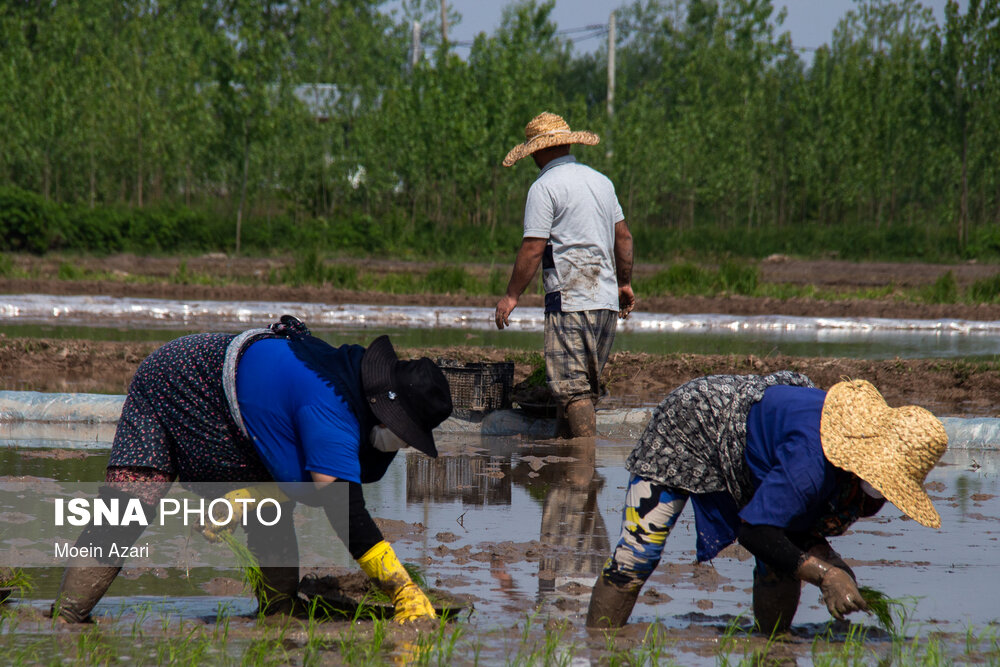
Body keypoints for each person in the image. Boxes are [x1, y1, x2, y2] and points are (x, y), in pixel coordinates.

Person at [52, 316, 453, 624]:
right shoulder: (330, 407)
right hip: (174, 381)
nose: (401, 444)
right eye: (402, 433)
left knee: (271, 506)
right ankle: (66, 617)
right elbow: (343, 509)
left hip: (239, 403)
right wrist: (402, 590)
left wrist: (254, 496)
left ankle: (278, 614)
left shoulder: (357, 392)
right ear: (385, 411)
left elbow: (323, 483)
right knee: (127, 508)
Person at [586, 373, 948, 633]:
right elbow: (755, 532)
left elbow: (796, 532)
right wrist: (827, 575)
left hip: (760, 442)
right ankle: (598, 645)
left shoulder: (860, 487)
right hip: (693, 422)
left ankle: (773, 645)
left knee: (783, 558)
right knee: (637, 553)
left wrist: (834, 566)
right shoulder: (811, 462)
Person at [495, 111, 634, 438]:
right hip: (605, 302)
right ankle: (571, 474)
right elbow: (624, 237)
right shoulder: (601, 181)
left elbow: (533, 248)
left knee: (572, 391)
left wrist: (511, 295)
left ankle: (584, 461)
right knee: (576, 390)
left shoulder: (544, 186)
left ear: (539, 151)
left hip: (570, 301)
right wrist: (624, 283)